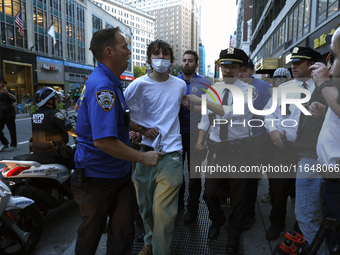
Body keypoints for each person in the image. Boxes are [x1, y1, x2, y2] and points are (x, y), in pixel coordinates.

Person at [71, 27, 161, 255]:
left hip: (118, 174)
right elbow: (104, 141)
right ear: (109, 52)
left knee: (122, 232)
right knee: (90, 235)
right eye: (125, 47)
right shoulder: (103, 87)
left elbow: (118, 119)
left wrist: (141, 129)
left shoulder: (109, 81)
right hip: (98, 177)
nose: (129, 52)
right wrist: (143, 157)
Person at [124, 39, 186, 255]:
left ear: (171, 59)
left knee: (164, 212)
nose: (161, 59)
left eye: (165, 55)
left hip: (171, 155)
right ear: (149, 58)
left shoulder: (180, 85)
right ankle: (150, 244)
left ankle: (160, 251)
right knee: (146, 208)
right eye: (157, 55)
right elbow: (119, 112)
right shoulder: (138, 84)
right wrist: (140, 129)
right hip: (144, 154)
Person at [191, 47, 254, 254]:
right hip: (217, 150)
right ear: (221, 67)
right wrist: (200, 140)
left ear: (240, 69)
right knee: (209, 194)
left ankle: (233, 232)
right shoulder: (213, 90)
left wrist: (203, 102)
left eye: (233, 66)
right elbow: (204, 119)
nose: (228, 70)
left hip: (240, 151)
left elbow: (231, 113)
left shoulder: (247, 90)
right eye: (225, 66)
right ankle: (217, 220)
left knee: (239, 197)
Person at [264, 46, 321, 241]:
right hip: (283, 148)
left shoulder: (323, 90)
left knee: (304, 193)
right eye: (292, 63)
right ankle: (277, 222)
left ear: (312, 65)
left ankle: (301, 227)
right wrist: (272, 131)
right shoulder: (283, 89)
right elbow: (269, 114)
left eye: (299, 63)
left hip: (311, 152)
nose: (293, 66)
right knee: (278, 190)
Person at [309, 26, 340, 254]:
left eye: (336, 56)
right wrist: (325, 110)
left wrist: (322, 83)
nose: (330, 63)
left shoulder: (328, 83)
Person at [239, 59, 272, 230]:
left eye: (244, 70)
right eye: (239, 70)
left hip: (256, 139)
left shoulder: (263, 87)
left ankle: (249, 215)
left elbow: (271, 110)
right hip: (235, 140)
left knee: (250, 180)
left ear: (252, 71)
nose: (240, 73)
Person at [177, 50, 208, 223]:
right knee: (176, 173)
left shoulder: (205, 83)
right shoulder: (173, 82)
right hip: (176, 135)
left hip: (197, 134)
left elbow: (211, 109)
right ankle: (178, 204)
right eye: (184, 60)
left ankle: (192, 209)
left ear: (196, 64)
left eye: (190, 61)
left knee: (194, 175)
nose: (186, 63)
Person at [31, 87, 77, 168]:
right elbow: (72, 131)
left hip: (38, 152)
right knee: (80, 159)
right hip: (55, 153)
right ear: (48, 100)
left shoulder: (35, 114)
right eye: (54, 98)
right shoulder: (55, 114)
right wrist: (84, 134)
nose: (56, 100)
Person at [0, 77, 17, 151]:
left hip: (9, 113)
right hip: (1, 114)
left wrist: (7, 93)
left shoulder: (9, 91)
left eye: (2, 83)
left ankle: (13, 145)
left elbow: (14, 99)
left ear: (4, 84)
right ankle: (5, 143)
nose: (1, 84)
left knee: (12, 130)